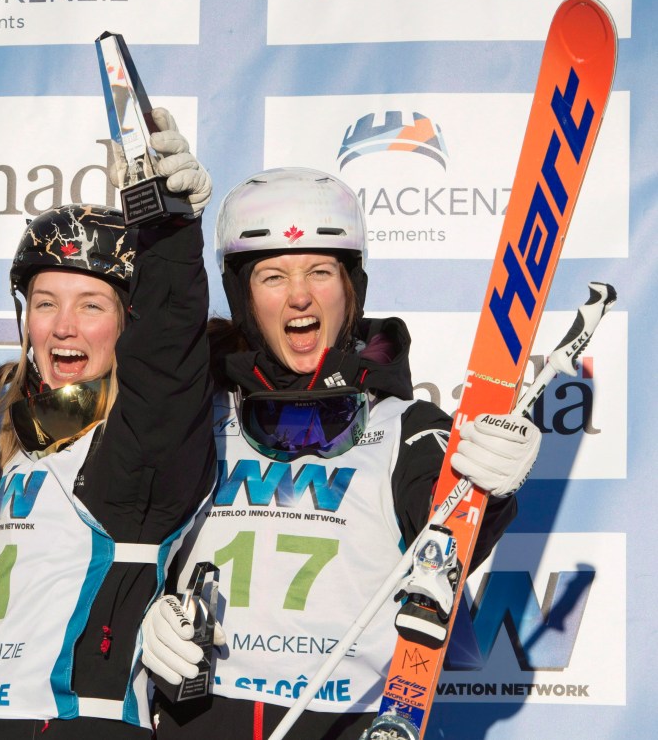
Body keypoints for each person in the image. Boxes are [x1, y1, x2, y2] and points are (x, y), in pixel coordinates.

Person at [140, 168, 540, 739]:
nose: (300, 295)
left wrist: (490, 487)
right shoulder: (198, 417)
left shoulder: (406, 425)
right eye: (273, 275)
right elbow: (124, 536)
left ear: (351, 287)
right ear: (243, 296)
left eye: (320, 271)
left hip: (344, 722)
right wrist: (141, 614)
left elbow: (447, 530)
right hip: (195, 720)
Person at [0, 110, 216, 739]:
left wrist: (166, 230)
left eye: (91, 305)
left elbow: (168, 362)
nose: (63, 326)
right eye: (45, 304)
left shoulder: (136, 455)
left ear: (126, 323)